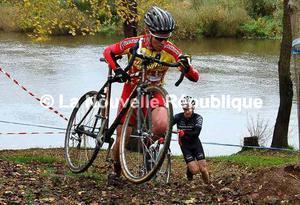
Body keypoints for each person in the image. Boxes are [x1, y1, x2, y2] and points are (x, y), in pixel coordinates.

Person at [103, 6, 199, 177]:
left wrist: (187, 67)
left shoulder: (171, 50)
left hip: (155, 94)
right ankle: (116, 171)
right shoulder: (134, 43)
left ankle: (149, 149)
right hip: (131, 93)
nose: (163, 43)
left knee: (162, 125)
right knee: (121, 139)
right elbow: (108, 51)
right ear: (148, 31)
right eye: (159, 39)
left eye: (166, 39)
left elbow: (195, 77)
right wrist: (117, 69)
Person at [173, 96, 209, 183]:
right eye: (184, 109)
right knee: (195, 170)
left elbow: (196, 133)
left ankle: (208, 184)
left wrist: (183, 133)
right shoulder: (178, 117)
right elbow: (167, 125)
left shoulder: (198, 117)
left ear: (193, 108)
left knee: (203, 169)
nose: (186, 112)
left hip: (195, 144)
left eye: (188, 109)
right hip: (185, 146)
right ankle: (189, 171)